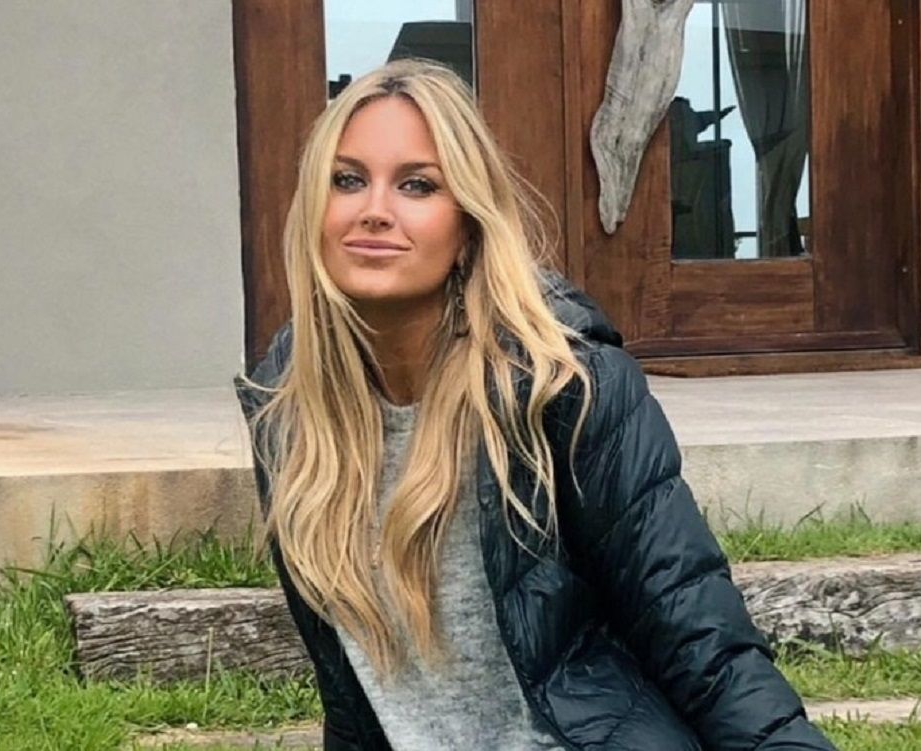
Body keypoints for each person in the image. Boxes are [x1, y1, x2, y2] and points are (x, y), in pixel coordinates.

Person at [235, 59, 834, 751]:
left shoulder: (565, 384)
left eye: (417, 185)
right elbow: (355, 698)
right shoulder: (289, 409)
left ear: (468, 225)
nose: (375, 209)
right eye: (347, 180)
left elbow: (700, 637)